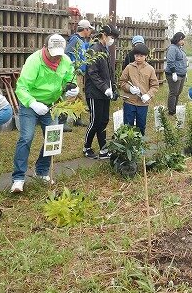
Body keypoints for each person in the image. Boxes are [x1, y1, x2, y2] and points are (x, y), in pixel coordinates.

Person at [11, 34, 78, 193]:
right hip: (30, 104)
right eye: (53, 54)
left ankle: (41, 171)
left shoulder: (66, 61)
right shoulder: (34, 61)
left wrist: (73, 89)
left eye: (59, 55)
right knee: (26, 137)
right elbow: (21, 88)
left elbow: (70, 80)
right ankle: (18, 178)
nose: (56, 58)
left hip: (51, 105)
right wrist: (33, 103)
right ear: (45, 48)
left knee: (53, 138)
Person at [84, 25, 120, 159]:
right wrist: (105, 88)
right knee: (95, 121)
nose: (112, 40)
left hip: (105, 92)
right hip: (94, 93)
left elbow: (109, 72)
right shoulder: (94, 50)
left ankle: (103, 150)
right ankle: (86, 147)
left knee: (104, 120)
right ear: (104, 35)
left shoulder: (105, 49)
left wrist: (113, 88)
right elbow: (92, 73)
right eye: (111, 37)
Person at [119, 42, 159, 135]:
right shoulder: (129, 67)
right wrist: (129, 88)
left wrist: (148, 95)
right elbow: (122, 82)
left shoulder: (150, 69)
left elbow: (155, 85)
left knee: (141, 125)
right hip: (129, 101)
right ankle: (128, 145)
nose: (138, 58)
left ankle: (139, 145)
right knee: (128, 125)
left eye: (141, 56)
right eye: (136, 55)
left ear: (145, 56)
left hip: (143, 103)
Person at [64, 18, 93, 128]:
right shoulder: (75, 40)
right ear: (85, 29)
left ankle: (78, 118)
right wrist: (73, 65)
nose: (90, 31)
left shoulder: (82, 41)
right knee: (71, 96)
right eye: (89, 29)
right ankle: (64, 121)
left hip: (81, 73)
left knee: (80, 96)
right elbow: (66, 52)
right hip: (74, 72)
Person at [165, 31, 187, 115]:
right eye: (182, 39)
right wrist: (174, 72)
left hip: (182, 74)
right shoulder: (172, 48)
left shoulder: (179, 48)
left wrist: (185, 72)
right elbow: (170, 61)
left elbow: (183, 61)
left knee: (178, 92)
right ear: (177, 39)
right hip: (174, 74)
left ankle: (175, 108)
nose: (183, 41)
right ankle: (171, 110)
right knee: (173, 92)